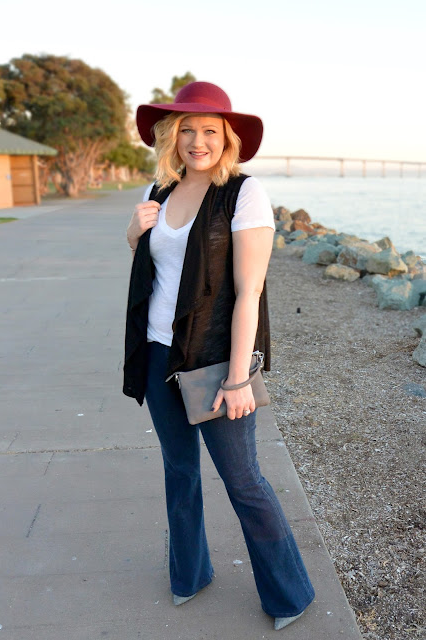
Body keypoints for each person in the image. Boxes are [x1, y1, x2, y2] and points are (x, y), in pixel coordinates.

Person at [124, 81, 315, 631]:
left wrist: (239, 379)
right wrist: (133, 233)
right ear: (171, 136)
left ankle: (290, 594)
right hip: (157, 353)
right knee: (179, 471)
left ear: (227, 138)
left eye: (210, 130)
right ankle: (190, 574)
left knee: (244, 481)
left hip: (210, 361)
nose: (198, 141)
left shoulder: (243, 193)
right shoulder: (160, 189)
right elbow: (152, 265)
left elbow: (249, 293)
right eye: (187, 130)